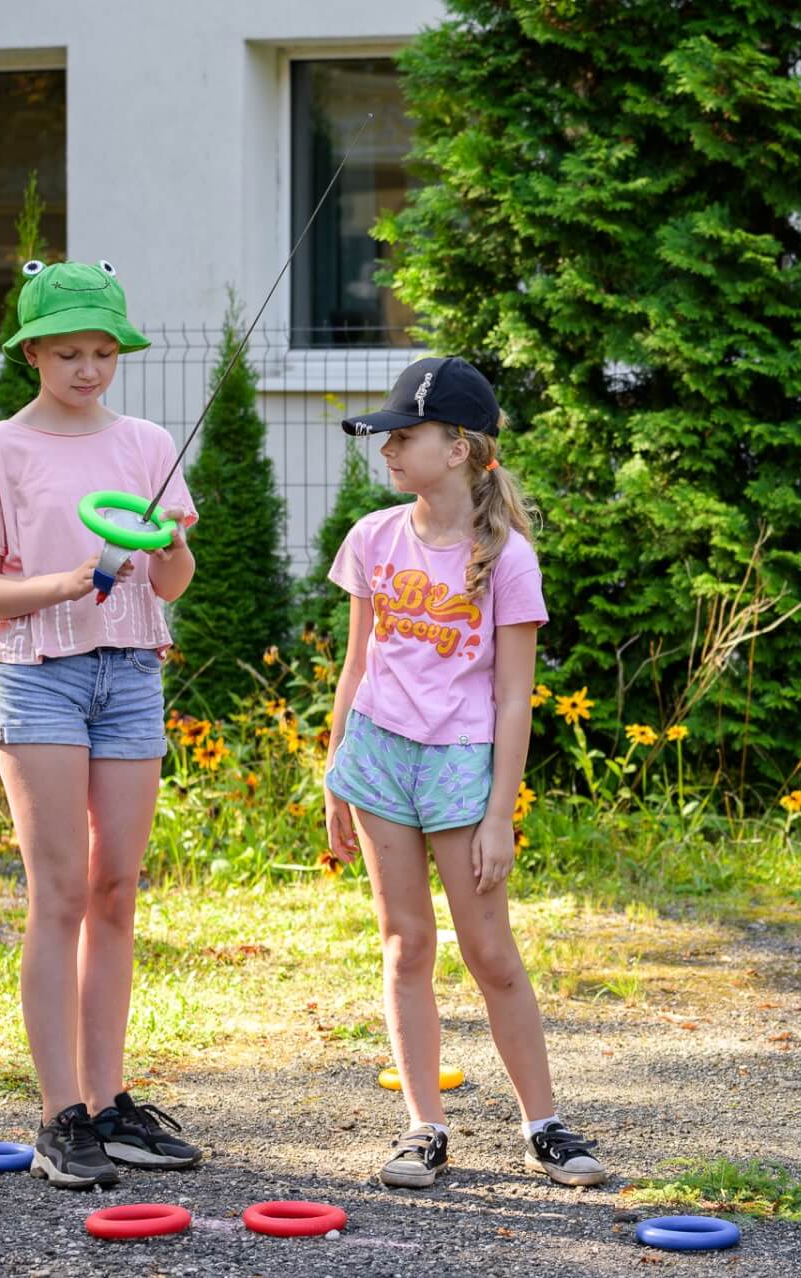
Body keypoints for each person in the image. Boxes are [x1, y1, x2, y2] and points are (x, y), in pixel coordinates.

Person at [0, 259, 201, 1189]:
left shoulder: (147, 444)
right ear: (33, 354)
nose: (89, 368)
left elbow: (172, 582)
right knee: (58, 894)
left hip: (131, 672)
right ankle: (60, 1118)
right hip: (40, 676)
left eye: (103, 351)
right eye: (69, 352)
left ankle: (110, 1101)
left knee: (117, 889)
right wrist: (65, 582)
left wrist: (168, 543)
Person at [323, 356, 608, 1190]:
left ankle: (544, 1124)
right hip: (377, 758)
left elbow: (515, 698)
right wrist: (336, 773)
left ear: (459, 448)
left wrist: (496, 812)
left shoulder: (508, 556)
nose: (388, 449)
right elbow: (354, 668)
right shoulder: (372, 538)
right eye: (387, 438)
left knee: (489, 951)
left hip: (458, 769)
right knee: (405, 943)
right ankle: (422, 1126)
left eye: (403, 436)